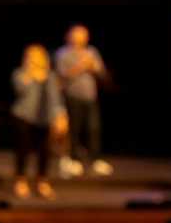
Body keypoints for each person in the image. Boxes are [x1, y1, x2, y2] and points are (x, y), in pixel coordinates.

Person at [54, 24, 111, 176]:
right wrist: (81, 66)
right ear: (70, 36)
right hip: (72, 96)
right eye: (77, 34)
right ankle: (73, 159)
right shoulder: (63, 53)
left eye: (83, 35)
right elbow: (61, 76)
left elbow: (101, 72)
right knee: (75, 128)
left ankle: (95, 159)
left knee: (93, 128)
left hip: (90, 97)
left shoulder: (91, 52)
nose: (81, 38)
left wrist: (93, 67)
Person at [8, 44, 64, 198]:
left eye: (37, 56)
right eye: (30, 56)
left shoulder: (51, 76)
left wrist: (59, 115)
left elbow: (55, 98)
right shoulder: (19, 74)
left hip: (44, 118)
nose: (34, 59)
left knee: (45, 151)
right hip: (23, 116)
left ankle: (42, 182)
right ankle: (20, 181)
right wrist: (31, 74)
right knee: (23, 150)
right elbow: (20, 90)